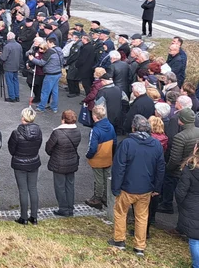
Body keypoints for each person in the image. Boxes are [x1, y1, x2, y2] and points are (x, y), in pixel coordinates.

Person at [109, 115, 165, 256]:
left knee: (121, 213)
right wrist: (157, 188)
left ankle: (119, 240)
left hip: (126, 188)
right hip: (146, 189)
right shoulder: (156, 145)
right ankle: (140, 246)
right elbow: (160, 168)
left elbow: (119, 167)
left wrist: (115, 187)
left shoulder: (127, 143)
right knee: (142, 217)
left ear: (133, 128)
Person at [8, 107, 42, 225]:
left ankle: (24, 217)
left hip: (20, 162)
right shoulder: (38, 131)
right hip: (33, 161)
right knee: (33, 188)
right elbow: (38, 145)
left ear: (23, 118)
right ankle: (34, 216)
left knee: (23, 190)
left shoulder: (16, 133)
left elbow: (11, 150)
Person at [162, 108, 199, 214]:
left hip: (180, 170)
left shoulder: (180, 137)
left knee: (169, 181)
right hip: (193, 167)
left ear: (181, 120)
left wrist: (168, 169)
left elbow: (175, 159)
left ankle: (167, 204)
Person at [45, 110, 82, 217]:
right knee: (70, 185)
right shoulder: (77, 131)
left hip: (59, 163)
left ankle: (63, 208)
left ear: (63, 120)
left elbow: (48, 148)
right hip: (72, 162)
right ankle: (70, 207)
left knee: (60, 186)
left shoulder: (57, 133)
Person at [85, 104, 117, 210]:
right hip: (108, 155)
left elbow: (92, 147)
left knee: (98, 179)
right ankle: (106, 197)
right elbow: (115, 142)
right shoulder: (111, 126)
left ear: (95, 116)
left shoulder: (96, 130)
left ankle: (97, 199)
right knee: (107, 177)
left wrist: (88, 155)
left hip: (98, 158)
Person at [175, 146, 199, 267]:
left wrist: (182, 204)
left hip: (192, 207)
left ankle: (196, 265)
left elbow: (180, 192)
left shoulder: (190, 169)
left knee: (195, 239)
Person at [30, 37, 64, 113]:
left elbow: (41, 63)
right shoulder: (59, 49)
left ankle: (41, 107)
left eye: (48, 43)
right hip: (58, 72)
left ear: (51, 43)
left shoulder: (49, 51)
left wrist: (32, 59)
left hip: (50, 74)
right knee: (55, 91)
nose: (47, 44)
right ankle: (54, 107)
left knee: (45, 91)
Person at [0, 32, 23, 102]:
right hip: (16, 66)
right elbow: (21, 56)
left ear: (8, 37)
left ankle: (12, 97)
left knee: (10, 82)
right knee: (15, 81)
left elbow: (3, 58)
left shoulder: (7, 46)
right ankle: (17, 96)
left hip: (9, 67)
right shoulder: (19, 45)